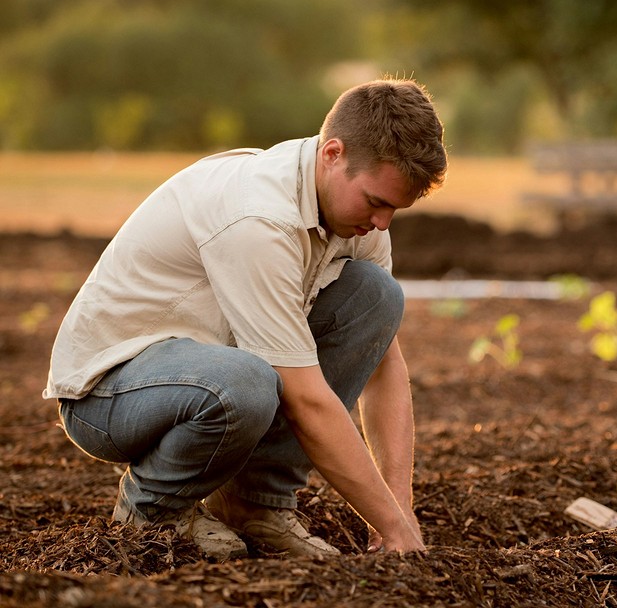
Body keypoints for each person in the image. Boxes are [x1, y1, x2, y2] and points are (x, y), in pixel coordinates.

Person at [43, 78, 447, 561]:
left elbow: (382, 364)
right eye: (376, 202)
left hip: (208, 369)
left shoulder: (356, 220)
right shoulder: (258, 218)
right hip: (108, 392)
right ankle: (153, 510)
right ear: (333, 154)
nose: (382, 223)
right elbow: (306, 401)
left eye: (394, 209)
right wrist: (387, 523)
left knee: (376, 296)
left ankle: (255, 504)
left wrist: (400, 511)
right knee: (248, 382)